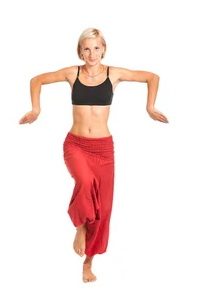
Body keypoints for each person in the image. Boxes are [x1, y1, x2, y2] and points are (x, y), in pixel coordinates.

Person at [19, 27, 168, 282]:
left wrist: (150, 106)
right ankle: (79, 227)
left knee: (105, 209)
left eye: (96, 48)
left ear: (103, 49)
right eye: (86, 48)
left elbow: (152, 77)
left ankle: (88, 262)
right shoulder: (72, 73)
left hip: (103, 148)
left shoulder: (114, 74)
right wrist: (36, 109)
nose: (91, 53)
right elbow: (37, 80)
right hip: (75, 144)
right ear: (80, 51)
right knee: (85, 182)